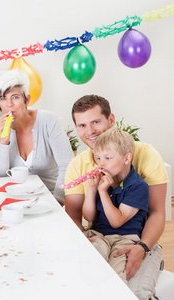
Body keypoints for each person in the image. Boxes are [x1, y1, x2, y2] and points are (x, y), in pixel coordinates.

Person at [65, 95, 168, 299]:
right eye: (82, 125)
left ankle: (152, 261)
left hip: (138, 239)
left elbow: (157, 212)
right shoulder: (79, 166)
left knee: (134, 292)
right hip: (100, 236)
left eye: (96, 122)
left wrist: (142, 247)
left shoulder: (144, 156)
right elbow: (75, 218)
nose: (90, 131)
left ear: (111, 120)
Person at [0, 69, 73, 204]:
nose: (9, 104)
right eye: (3, 98)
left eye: (15, 97)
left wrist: (58, 200)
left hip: (50, 198)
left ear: (26, 100)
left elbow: (67, 165)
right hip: (13, 200)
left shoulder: (48, 120)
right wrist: (3, 142)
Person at [83, 129, 149, 283]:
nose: (101, 164)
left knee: (115, 275)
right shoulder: (103, 181)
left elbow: (116, 221)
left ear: (127, 158)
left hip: (125, 239)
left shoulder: (138, 186)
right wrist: (92, 189)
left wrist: (102, 191)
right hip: (99, 235)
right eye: (98, 158)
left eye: (108, 158)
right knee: (90, 261)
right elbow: (88, 216)